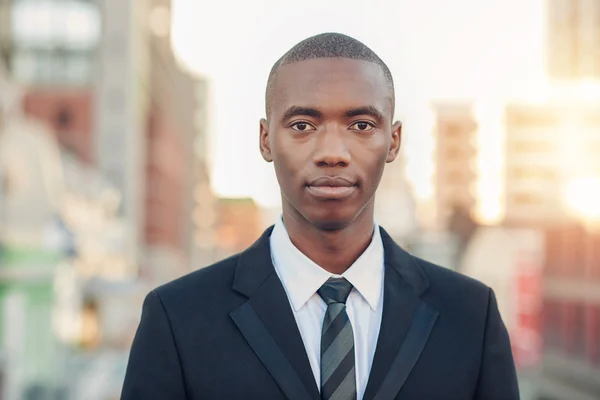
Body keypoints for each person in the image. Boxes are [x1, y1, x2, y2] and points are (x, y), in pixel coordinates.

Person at [121, 33, 520, 400]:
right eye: (303, 125)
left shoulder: (470, 316)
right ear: (266, 140)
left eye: (361, 125)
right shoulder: (177, 319)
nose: (333, 152)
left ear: (393, 141)